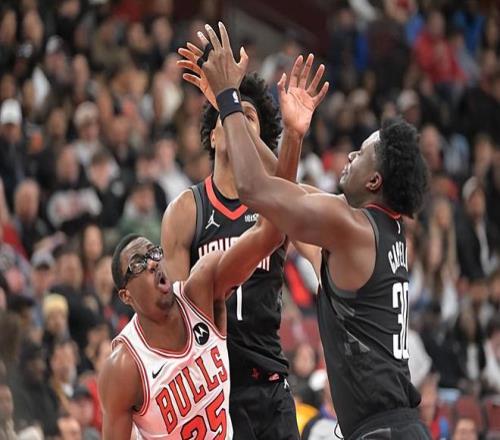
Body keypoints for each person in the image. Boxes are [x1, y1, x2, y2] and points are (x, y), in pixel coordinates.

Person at [195, 22, 430, 439]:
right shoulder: (378, 233)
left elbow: (254, 190)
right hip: (393, 426)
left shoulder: (350, 225)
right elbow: (289, 199)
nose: (351, 154)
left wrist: (230, 99)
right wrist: (286, 134)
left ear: (374, 181)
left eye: (363, 153)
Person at [167, 43, 327, 438]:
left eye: (246, 118)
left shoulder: (276, 211)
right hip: (214, 387)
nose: (235, 120)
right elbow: (176, 317)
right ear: (213, 135)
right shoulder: (187, 210)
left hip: (270, 384)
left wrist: (288, 133)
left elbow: (311, 224)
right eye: (228, 115)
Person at [98, 191, 287, 437]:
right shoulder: (124, 367)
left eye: (153, 253)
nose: (152, 263)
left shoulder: (201, 292)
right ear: (126, 296)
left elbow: (269, 235)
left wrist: (280, 167)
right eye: (138, 264)